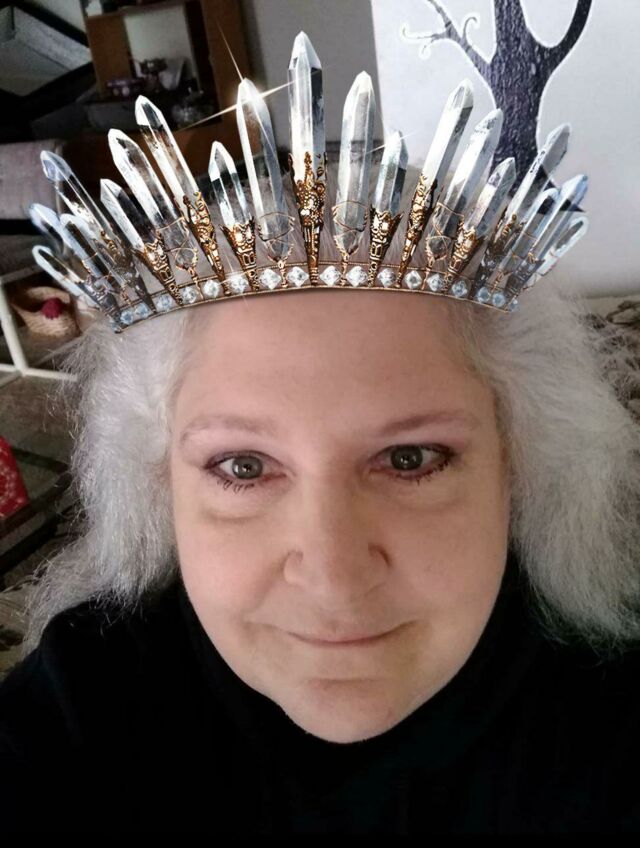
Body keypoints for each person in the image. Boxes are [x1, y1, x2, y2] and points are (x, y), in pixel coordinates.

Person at [2, 32, 640, 834]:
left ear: (521, 463)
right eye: (243, 466)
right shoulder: (83, 709)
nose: (333, 576)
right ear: (158, 482)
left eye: (409, 458)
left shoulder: (608, 716)